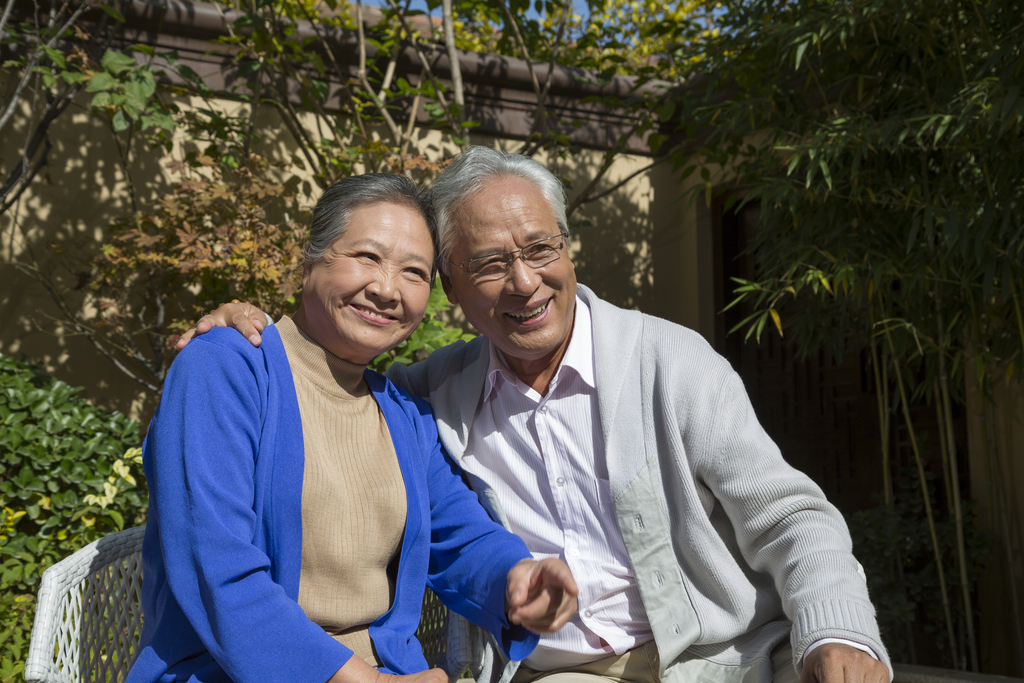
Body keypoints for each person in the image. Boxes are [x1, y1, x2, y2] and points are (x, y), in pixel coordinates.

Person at [183, 148, 892, 683]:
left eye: (539, 249)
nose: (524, 282)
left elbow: (792, 516)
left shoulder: (666, 364)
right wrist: (226, 330)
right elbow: (220, 564)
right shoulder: (410, 393)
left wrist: (514, 581)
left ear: (566, 248)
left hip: (721, 661)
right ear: (456, 290)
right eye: (489, 264)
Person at [128, 172, 578, 683]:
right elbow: (218, 571)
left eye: (413, 272)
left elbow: (461, 536)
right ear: (311, 259)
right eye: (366, 257)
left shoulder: (403, 414)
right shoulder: (226, 368)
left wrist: (517, 579)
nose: (387, 289)